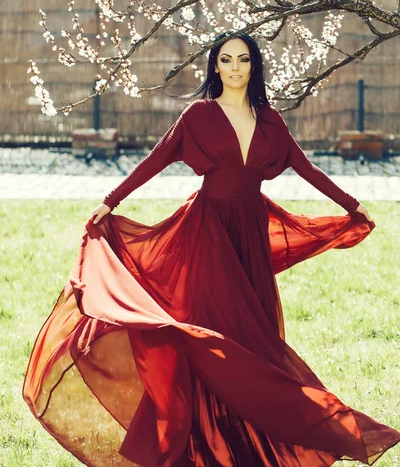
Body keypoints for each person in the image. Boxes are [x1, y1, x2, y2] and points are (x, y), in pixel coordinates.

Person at [23, 31, 400, 467]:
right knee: (209, 332)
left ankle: (249, 443)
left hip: (250, 236)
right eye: (227, 59)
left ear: (254, 66)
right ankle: (195, 444)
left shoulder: (271, 120)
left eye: (244, 59)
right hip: (207, 231)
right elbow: (157, 159)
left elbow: (305, 167)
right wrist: (111, 199)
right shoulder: (199, 115)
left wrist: (352, 206)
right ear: (215, 66)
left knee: (253, 339)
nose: (236, 67)